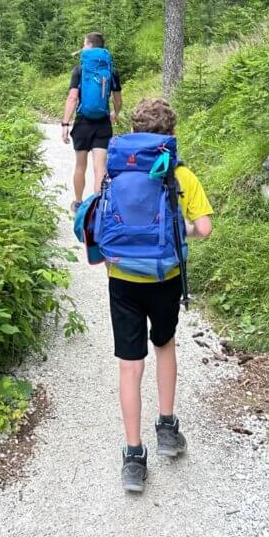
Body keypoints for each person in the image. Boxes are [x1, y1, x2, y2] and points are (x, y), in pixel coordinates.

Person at [100, 98, 213, 494]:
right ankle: (167, 427)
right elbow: (205, 227)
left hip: (123, 278)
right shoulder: (181, 174)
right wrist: (183, 231)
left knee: (129, 366)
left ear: (135, 131)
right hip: (165, 277)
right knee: (164, 345)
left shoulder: (117, 170)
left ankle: (133, 456)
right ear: (171, 135)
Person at [61, 32, 122, 213]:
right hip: (103, 123)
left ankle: (78, 202)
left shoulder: (79, 70)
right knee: (100, 166)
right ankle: (99, 204)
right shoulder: (111, 70)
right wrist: (115, 113)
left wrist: (65, 124)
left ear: (88, 45)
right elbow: (118, 100)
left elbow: (72, 98)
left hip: (82, 123)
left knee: (80, 165)